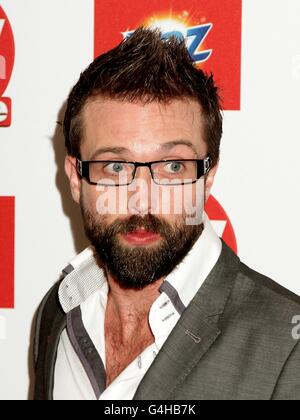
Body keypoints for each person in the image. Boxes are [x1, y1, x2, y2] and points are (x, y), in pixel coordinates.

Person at [33, 27, 300, 400]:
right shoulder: (59, 311)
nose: (142, 202)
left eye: (173, 166)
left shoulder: (287, 350)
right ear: (76, 178)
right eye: (115, 167)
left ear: (208, 177)